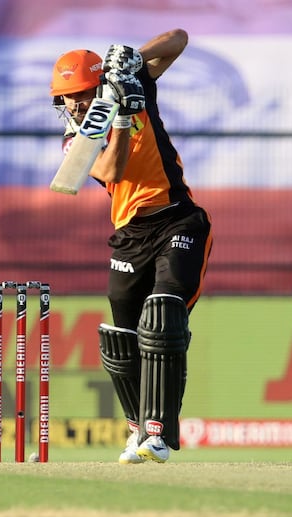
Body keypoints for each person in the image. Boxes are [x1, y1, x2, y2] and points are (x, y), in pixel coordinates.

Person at [49, 30, 213, 464]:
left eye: (83, 92)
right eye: (68, 97)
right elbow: (114, 167)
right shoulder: (75, 141)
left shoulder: (136, 89)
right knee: (123, 335)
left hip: (179, 219)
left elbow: (178, 39)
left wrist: (131, 62)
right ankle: (136, 428)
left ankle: (158, 433)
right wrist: (121, 118)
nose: (77, 103)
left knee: (163, 315)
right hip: (129, 236)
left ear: (97, 85)